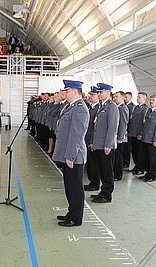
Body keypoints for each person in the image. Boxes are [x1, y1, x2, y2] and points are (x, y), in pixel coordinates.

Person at [53, 80, 89, 227]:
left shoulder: (80, 108)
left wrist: (70, 156)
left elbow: (77, 135)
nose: (64, 93)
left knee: (75, 189)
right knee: (69, 187)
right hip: (67, 154)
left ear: (74, 91)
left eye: (66, 91)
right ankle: (71, 212)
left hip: (73, 156)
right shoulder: (70, 106)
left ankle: (76, 218)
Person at [90, 83, 119, 203]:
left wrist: (108, 144)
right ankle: (102, 191)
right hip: (99, 144)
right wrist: (93, 143)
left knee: (107, 171)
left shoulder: (111, 106)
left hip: (106, 146)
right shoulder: (102, 106)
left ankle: (107, 195)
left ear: (107, 92)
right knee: (101, 170)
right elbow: (96, 127)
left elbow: (112, 127)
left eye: (100, 92)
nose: (98, 94)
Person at [139, 95, 156, 182]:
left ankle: (152, 175)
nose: (151, 102)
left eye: (153, 100)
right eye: (150, 100)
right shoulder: (149, 111)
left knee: (153, 159)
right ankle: (147, 173)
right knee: (146, 157)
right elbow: (145, 125)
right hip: (146, 138)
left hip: (153, 140)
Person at [84, 86, 100, 191]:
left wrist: (93, 141)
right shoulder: (91, 107)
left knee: (94, 164)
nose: (90, 97)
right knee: (90, 163)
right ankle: (92, 182)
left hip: (92, 141)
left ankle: (95, 183)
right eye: (90, 94)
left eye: (92, 95)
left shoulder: (98, 108)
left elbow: (96, 128)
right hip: (88, 139)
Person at [113, 91, 129, 181]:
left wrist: (120, 137)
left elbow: (123, 123)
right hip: (116, 136)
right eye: (114, 96)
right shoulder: (117, 107)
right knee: (116, 156)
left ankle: (118, 175)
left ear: (123, 98)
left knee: (119, 157)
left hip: (120, 138)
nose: (115, 98)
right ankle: (115, 173)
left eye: (117, 97)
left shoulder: (123, 108)